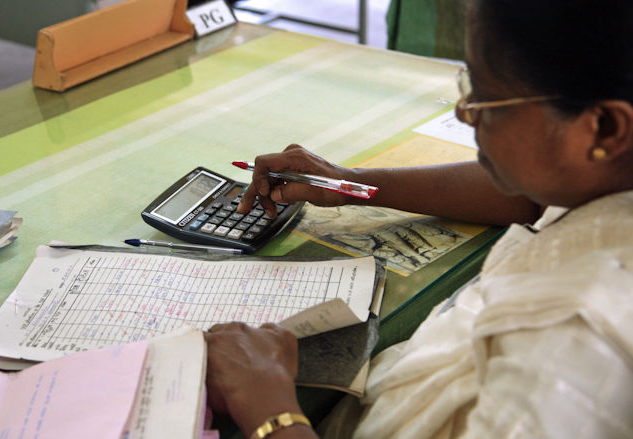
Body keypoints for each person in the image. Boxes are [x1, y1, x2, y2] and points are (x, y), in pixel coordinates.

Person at [203, 0, 633, 437]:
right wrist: (353, 183)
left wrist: (265, 405)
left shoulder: (572, 352)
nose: (464, 112)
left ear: (604, 128)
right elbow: (527, 197)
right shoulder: (606, 177)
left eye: (486, 96)